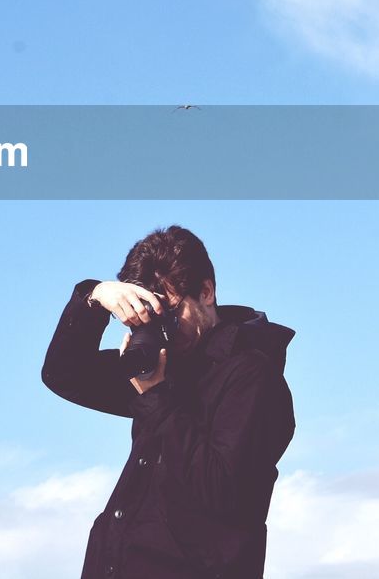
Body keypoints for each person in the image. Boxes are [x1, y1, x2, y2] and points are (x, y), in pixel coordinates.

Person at [42, 225, 296, 579]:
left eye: (171, 313)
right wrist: (94, 297)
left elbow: (224, 493)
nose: (166, 330)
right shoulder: (163, 367)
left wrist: (157, 396)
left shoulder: (252, 375)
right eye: (150, 316)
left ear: (206, 292)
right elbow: (64, 375)